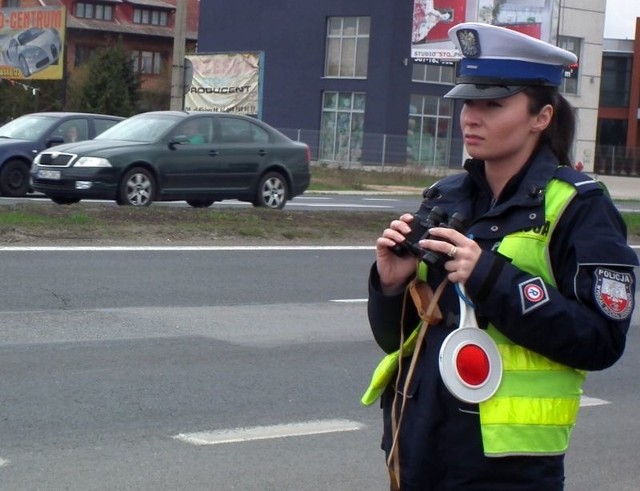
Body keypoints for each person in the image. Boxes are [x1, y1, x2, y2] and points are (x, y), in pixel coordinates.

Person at [364, 22, 638, 490]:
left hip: (508, 468)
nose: (471, 117)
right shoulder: (447, 196)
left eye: (493, 104)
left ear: (541, 117)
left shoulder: (581, 207)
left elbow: (601, 341)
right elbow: (399, 341)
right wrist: (389, 285)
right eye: (468, 101)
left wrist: (491, 278)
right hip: (416, 452)